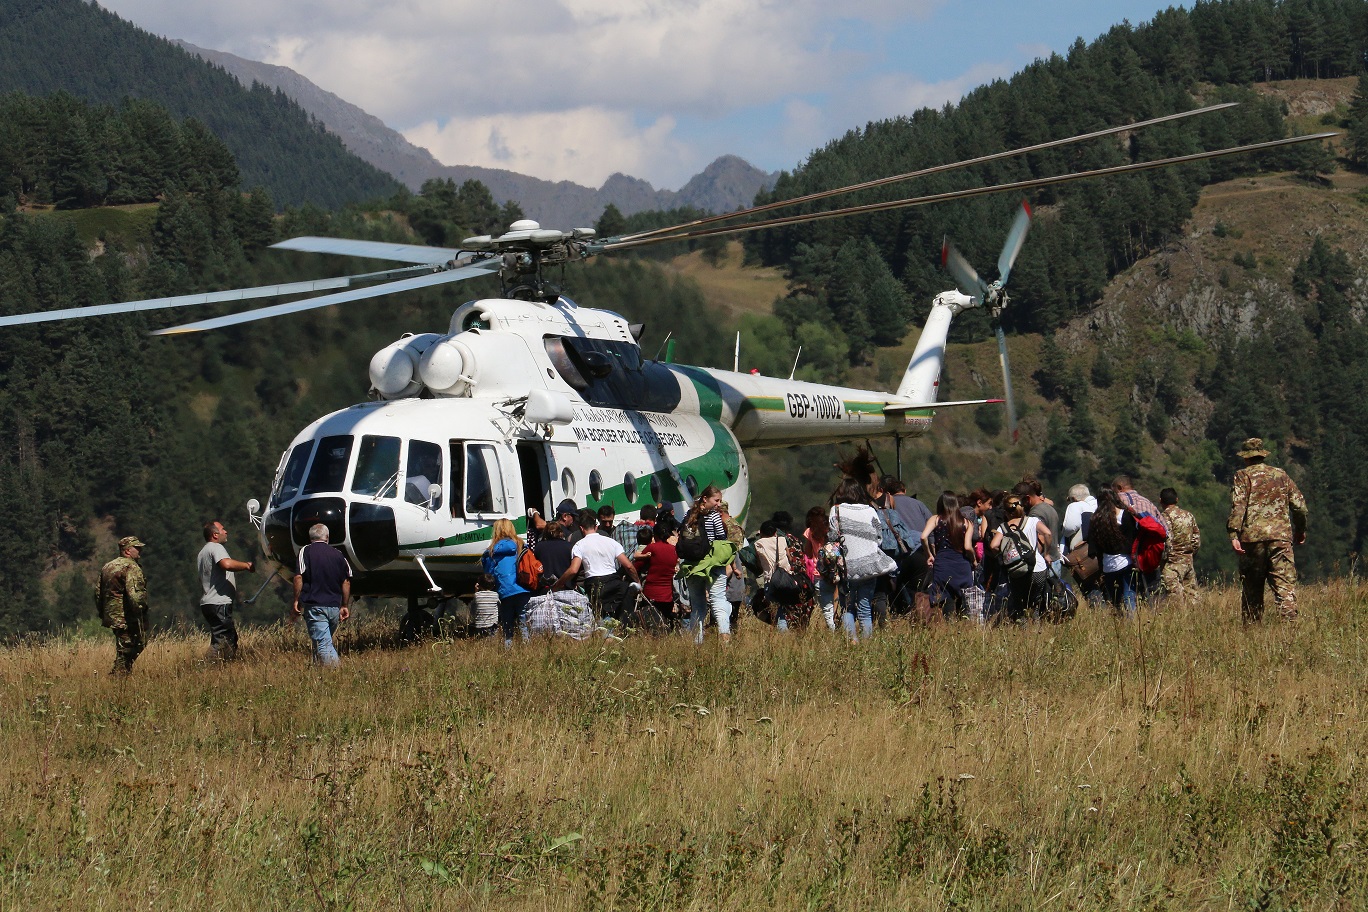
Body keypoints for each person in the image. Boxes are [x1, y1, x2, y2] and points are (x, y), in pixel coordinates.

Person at [1227, 437, 1308, 623]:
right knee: (1284, 587)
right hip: (1280, 538)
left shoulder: (1242, 476)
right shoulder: (1281, 475)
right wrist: (1300, 529)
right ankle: (1290, 629)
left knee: (1252, 589)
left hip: (1252, 539)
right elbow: (1300, 507)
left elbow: (1238, 506)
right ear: (1262, 455)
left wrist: (1233, 534)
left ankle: (1251, 632)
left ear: (1246, 458)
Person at [829, 477, 896, 643]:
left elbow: (832, 538)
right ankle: (866, 644)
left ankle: (852, 642)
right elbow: (879, 538)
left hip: (847, 567)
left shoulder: (836, 511)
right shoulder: (870, 510)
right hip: (869, 566)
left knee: (847, 608)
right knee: (865, 608)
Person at [552, 509, 641, 623]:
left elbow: (573, 570)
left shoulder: (579, 545)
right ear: (596, 527)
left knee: (602, 619)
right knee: (623, 617)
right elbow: (628, 566)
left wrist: (558, 584)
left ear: (581, 528)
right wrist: (637, 582)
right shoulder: (611, 542)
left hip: (595, 584)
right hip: (614, 581)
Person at [677, 485, 734, 643]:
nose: (718, 504)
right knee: (718, 600)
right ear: (705, 499)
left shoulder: (689, 515)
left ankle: (697, 643)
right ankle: (724, 636)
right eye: (716, 500)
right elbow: (721, 538)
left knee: (698, 606)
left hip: (692, 566)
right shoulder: (715, 516)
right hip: (713, 564)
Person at [292, 523, 352, 666]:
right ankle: (317, 676)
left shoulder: (305, 551)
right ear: (327, 537)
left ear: (310, 537)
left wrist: (296, 599)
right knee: (323, 642)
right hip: (334, 608)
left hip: (315, 607)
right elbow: (346, 582)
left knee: (323, 645)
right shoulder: (338, 555)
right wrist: (344, 605)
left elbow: (298, 577)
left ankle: (336, 676)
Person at [197, 520, 255, 661]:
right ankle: (206, 668)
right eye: (223, 529)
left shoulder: (203, 552)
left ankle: (225, 666)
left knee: (229, 638)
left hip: (209, 603)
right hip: (218, 603)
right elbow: (226, 564)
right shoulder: (216, 548)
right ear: (215, 534)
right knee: (223, 640)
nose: (226, 531)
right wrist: (246, 566)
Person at [990, 493, 1051, 622]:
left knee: (1020, 603)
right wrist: (1046, 553)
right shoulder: (1033, 521)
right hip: (1037, 567)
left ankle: (1022, 629)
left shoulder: (1004, 527)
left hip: (1017, 569)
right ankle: (1036, 628)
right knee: (1035, 602)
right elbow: (1047, 533)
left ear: (1006, 512)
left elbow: (993, 545)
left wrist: (1005, 555)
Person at [98, 536, 150, 675]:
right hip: (127, 615)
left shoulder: (108, 566)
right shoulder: (131, 566)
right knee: (137, 643)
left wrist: (103, 612)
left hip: (112, 615)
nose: (140, 551)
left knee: (124, 645)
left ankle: (121, 671)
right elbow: (135, 594)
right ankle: (120, 673)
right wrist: (141, 611)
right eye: (137, 548)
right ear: (127, 551)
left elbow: (98, 592)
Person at [921, 493, 977, 621]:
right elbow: (968, 547)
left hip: (942, 564)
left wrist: (929, 554)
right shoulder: (966, 523)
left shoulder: (936, 519)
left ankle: (949, 623)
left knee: (946, 597)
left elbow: (923, 536)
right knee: (963, 597)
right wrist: (973, 560)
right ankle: (962, 624)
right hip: (961, 564)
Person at [481, 518, 532, 641]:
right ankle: (528, 650)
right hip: (522, 589)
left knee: (507, 626)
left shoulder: (491, 552)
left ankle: (508, 653)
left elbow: (489, 575)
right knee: (524, 624)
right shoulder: (521, 546)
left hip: (504, 592)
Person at [1087, 488, 1137, 613]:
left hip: (1108, 565)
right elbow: (1134, 537)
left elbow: (1092, 549)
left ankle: (1118, 623)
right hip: (1126, 561)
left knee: (1115, 599)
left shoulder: (1096, 519)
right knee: (1129, 595)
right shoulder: (1125, 515)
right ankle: (1132, 624)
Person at [1160, 487, 1201, 605]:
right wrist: (1190, 553)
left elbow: (1167, 539)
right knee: (1192, 596)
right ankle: (1195, 620)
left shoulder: (1164, 517)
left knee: (1175, 598)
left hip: (1172, 563)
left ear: (1160, 501)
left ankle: (1179, 621)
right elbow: (1196, 539)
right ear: (1177, 499)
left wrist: (1164, 558)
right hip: (1188, 561)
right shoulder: (1188, 515)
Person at [637, 519, 680, 630]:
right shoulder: (674, 550)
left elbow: (637, 565)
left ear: (654, 535)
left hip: (652, 592)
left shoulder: (652, 548)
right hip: (668, 595)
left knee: (652, 624)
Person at [802, 506, 839, 631]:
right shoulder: (831, 529)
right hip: (836, 571)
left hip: (820, 572)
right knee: (839, 600)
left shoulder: (810, 531)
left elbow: (807, 552)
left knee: (826, 608)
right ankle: (841, 622)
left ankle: (833, 629)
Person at [1061, 483, 1097, 552]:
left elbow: (1070, 528)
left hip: (1085, 552)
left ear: (1074, 498)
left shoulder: (1077, 505)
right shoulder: (1100, 503)